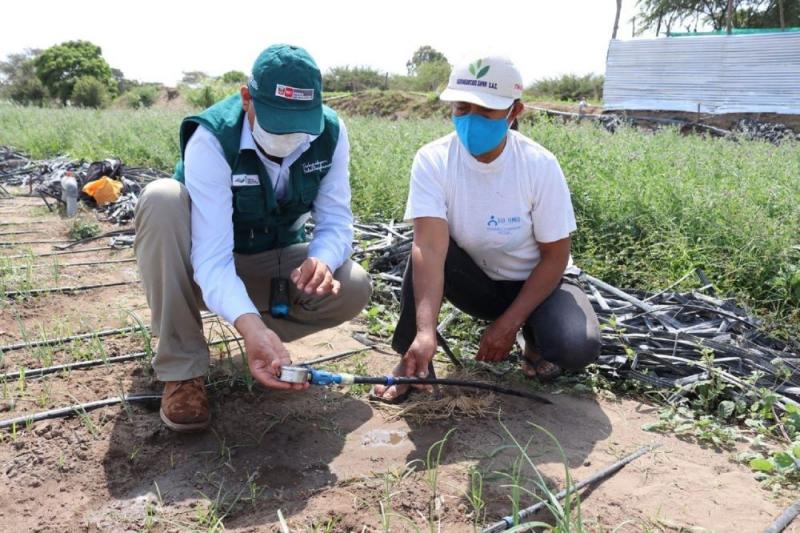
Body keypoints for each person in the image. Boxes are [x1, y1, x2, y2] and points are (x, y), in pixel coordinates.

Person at [135, 44, 371, 431]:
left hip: (276, 259)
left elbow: (336, 220)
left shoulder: (330, 131)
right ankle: (183, 369)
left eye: (301, 125)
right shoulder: (212, 139)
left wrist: (324, 260)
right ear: (248, 99)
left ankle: (259, 339)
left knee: (354, 285)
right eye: (279, 122)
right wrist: (250, 324)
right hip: (204, 265)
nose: (291, 136)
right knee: (162, 198)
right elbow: (211, 257)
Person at [372, 56, 600, 402]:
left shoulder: (539, 165)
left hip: (539, 285)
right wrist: (424, 330)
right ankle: (412, 358)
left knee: (575, 344)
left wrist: (507, 326)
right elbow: (430, 249)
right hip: (479, 284)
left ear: (514, 111)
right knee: (425, 251)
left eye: (486, 112)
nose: (470, 120)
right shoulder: (433, 160)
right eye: (462, 109)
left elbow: (556, 256)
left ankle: (533, 341)